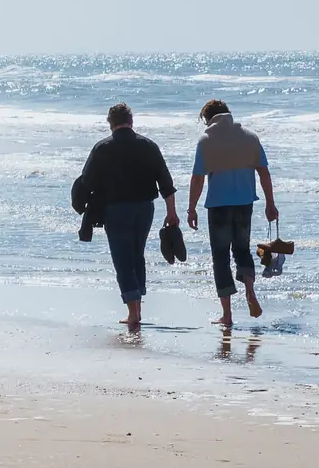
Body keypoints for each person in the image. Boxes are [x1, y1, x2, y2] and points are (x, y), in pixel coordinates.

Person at [79, 102, 179, 329]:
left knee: (122, 259)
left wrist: (83, 205)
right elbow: (166, 182)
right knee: (136, 255)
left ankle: (133, 312)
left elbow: (86, 181)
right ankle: (137, 307)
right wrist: (172, 212)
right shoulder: (149, 146)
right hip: (144, 208)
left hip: (115, 209)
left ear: (110, 123)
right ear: (131, 121)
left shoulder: (102, 148)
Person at [188, 99, 278, 327]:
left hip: (218, 205)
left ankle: (227, 315)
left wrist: (191, 208)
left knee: (220, 258)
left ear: (208, 119)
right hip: (245, 203)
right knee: (242, 250)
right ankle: (249, 289)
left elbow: (197, 179)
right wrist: (270, 203)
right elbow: (264, 173)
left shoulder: (206, 140)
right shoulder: (250, 137)